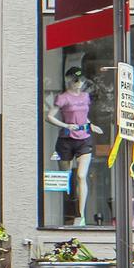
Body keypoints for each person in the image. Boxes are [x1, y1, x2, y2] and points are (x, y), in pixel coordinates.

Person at [45, 67, 102, 226]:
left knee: (81, 176)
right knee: (66, 176)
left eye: (81, 80)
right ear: (69, 79)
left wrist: (91, 125)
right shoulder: (62, 98)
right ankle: (68, 209)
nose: (79, 83)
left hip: (84, 139)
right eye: (76, 80)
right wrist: (66, 125)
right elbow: (49, 117)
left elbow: (83, 115)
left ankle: (80, 215)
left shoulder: (85, 97)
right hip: (66, 139)